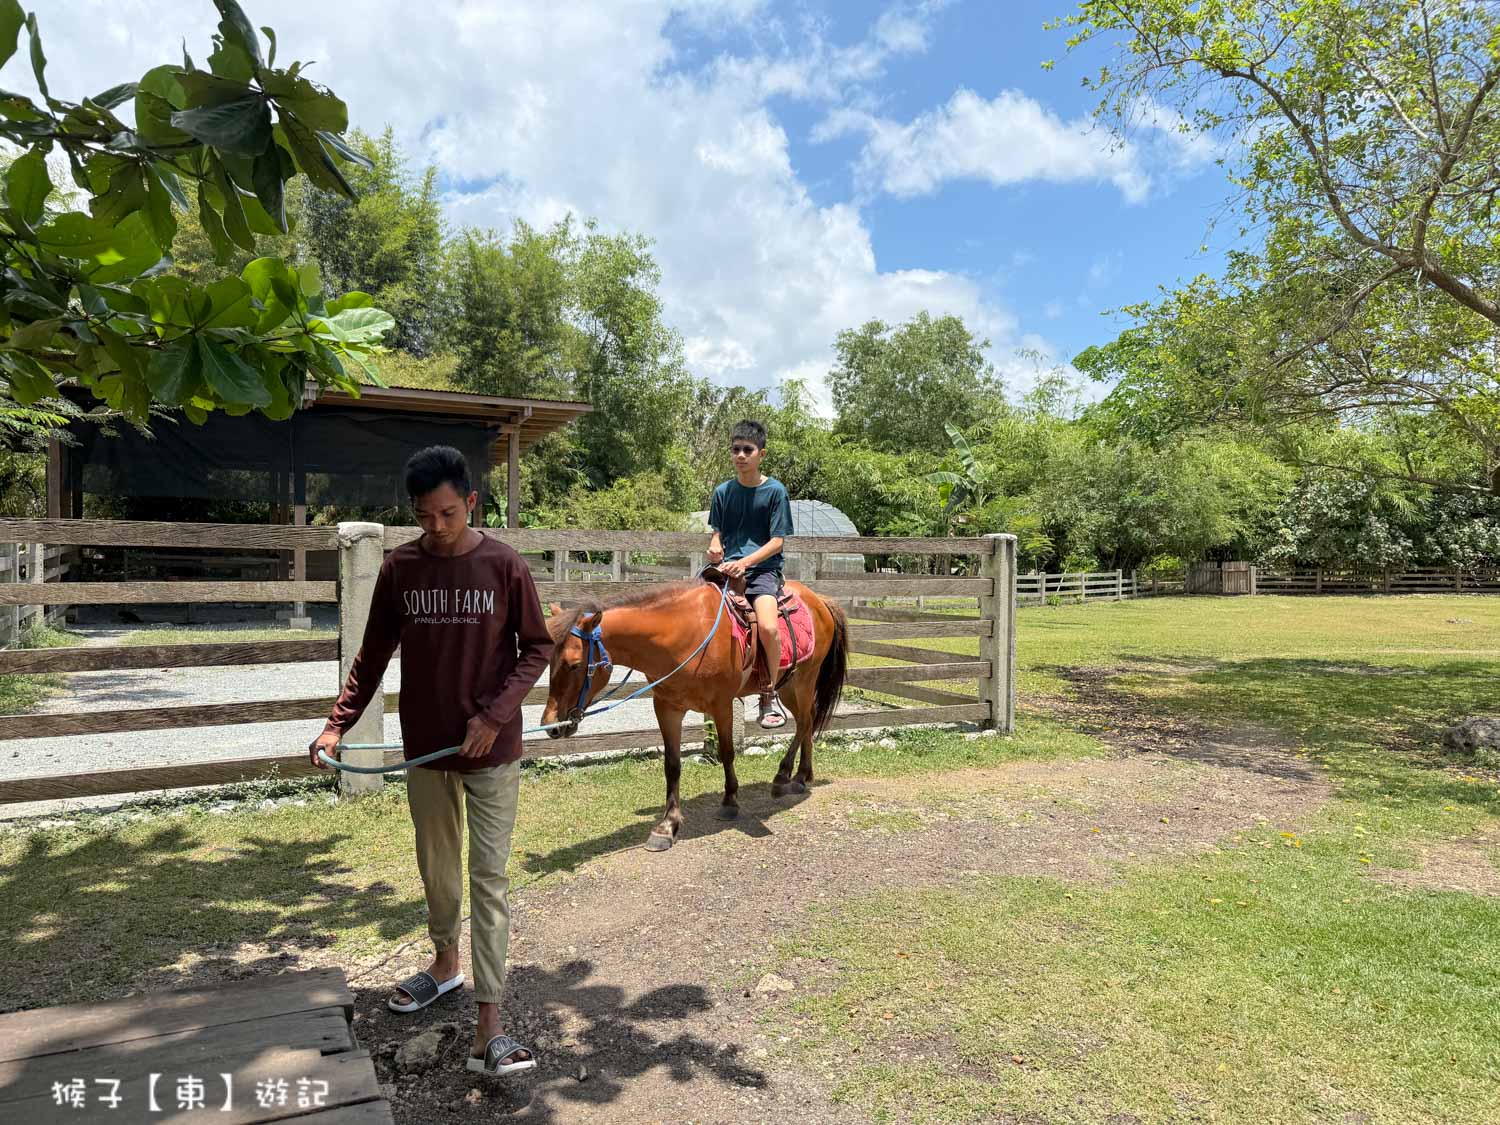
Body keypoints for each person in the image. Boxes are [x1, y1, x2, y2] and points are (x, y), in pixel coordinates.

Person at [308, 445, 552, 1078]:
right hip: (428, 752)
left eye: (447, 512)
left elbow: (537, 650)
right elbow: (372, 656)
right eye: (424, 516)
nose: (437, 527)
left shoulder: (504, 565)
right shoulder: (401, 569)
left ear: (471, 502)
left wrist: (495, 715)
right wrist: (337, 726)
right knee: (437, 871)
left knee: (489, 879)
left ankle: (489, 1026)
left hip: (493, 754)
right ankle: (445, 965)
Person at [706, 419, 794, 729]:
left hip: (762, 572)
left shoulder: (775, 492)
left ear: (761, 454)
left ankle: (770, 694)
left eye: (748, 450)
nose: (741, 455)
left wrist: (745, 562)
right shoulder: (723, 492)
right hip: (725, 570)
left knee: (768, 628)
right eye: (736, 450)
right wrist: (716, 547)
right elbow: (717, 533)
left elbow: (777, 541)